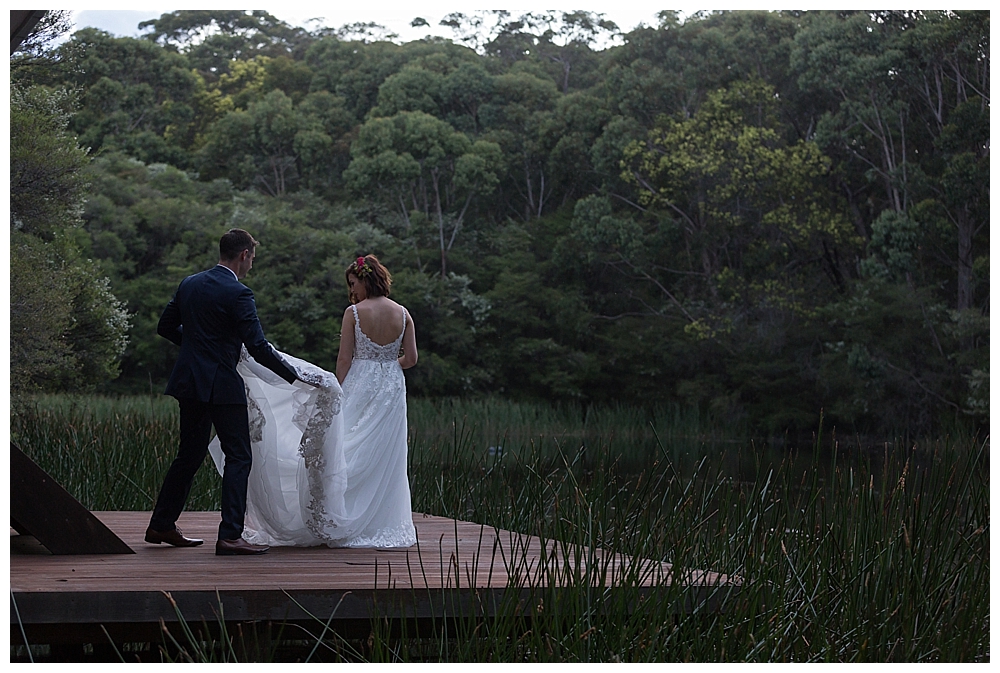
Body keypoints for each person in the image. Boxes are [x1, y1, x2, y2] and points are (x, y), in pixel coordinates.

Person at [205, 254, 418, 548]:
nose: (352, 291)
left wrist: (336, 391)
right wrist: (388, 364)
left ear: (365, 279)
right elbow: (412, 359)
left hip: (359, 382)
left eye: (353, 284)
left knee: (346, 445)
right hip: (392, 387)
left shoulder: (354, 313)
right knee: (384, 454)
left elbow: (344, 359)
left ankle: (341, 513)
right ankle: (378, 520)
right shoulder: (403, 313)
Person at [146, 228, 309, 556]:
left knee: (188, 456)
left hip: (189, 381)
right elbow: (259, 348)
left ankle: (162, 524)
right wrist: (296, 378)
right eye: (252, 259)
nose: (251, 266)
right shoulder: (239, 294)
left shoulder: (189, 284)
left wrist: (196, 347)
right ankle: (230, 535)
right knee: (239, 456)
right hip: (221, 383)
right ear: (244, 255)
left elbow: (165, 327)